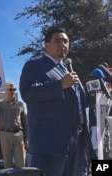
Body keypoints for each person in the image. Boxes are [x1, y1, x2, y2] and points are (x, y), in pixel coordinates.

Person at [19, 27, 93, 176]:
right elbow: (28, 93)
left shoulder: (68, 70)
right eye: (57, 40)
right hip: (50, 145)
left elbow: (78, 104)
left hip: (76, 144)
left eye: (65, 41)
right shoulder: (35, 66)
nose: (62, 44)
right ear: (46, 45)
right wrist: (59, 85)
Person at [0, 82, 29, 168]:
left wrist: (26, 139)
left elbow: (25, 122)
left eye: (14, 89)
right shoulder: (0, 103)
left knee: (21, 162)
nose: (12, 91)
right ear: (6, 91)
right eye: (10, 89)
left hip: (19, 134)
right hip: (5, 134)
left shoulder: (20, 104)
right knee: (7, 162)